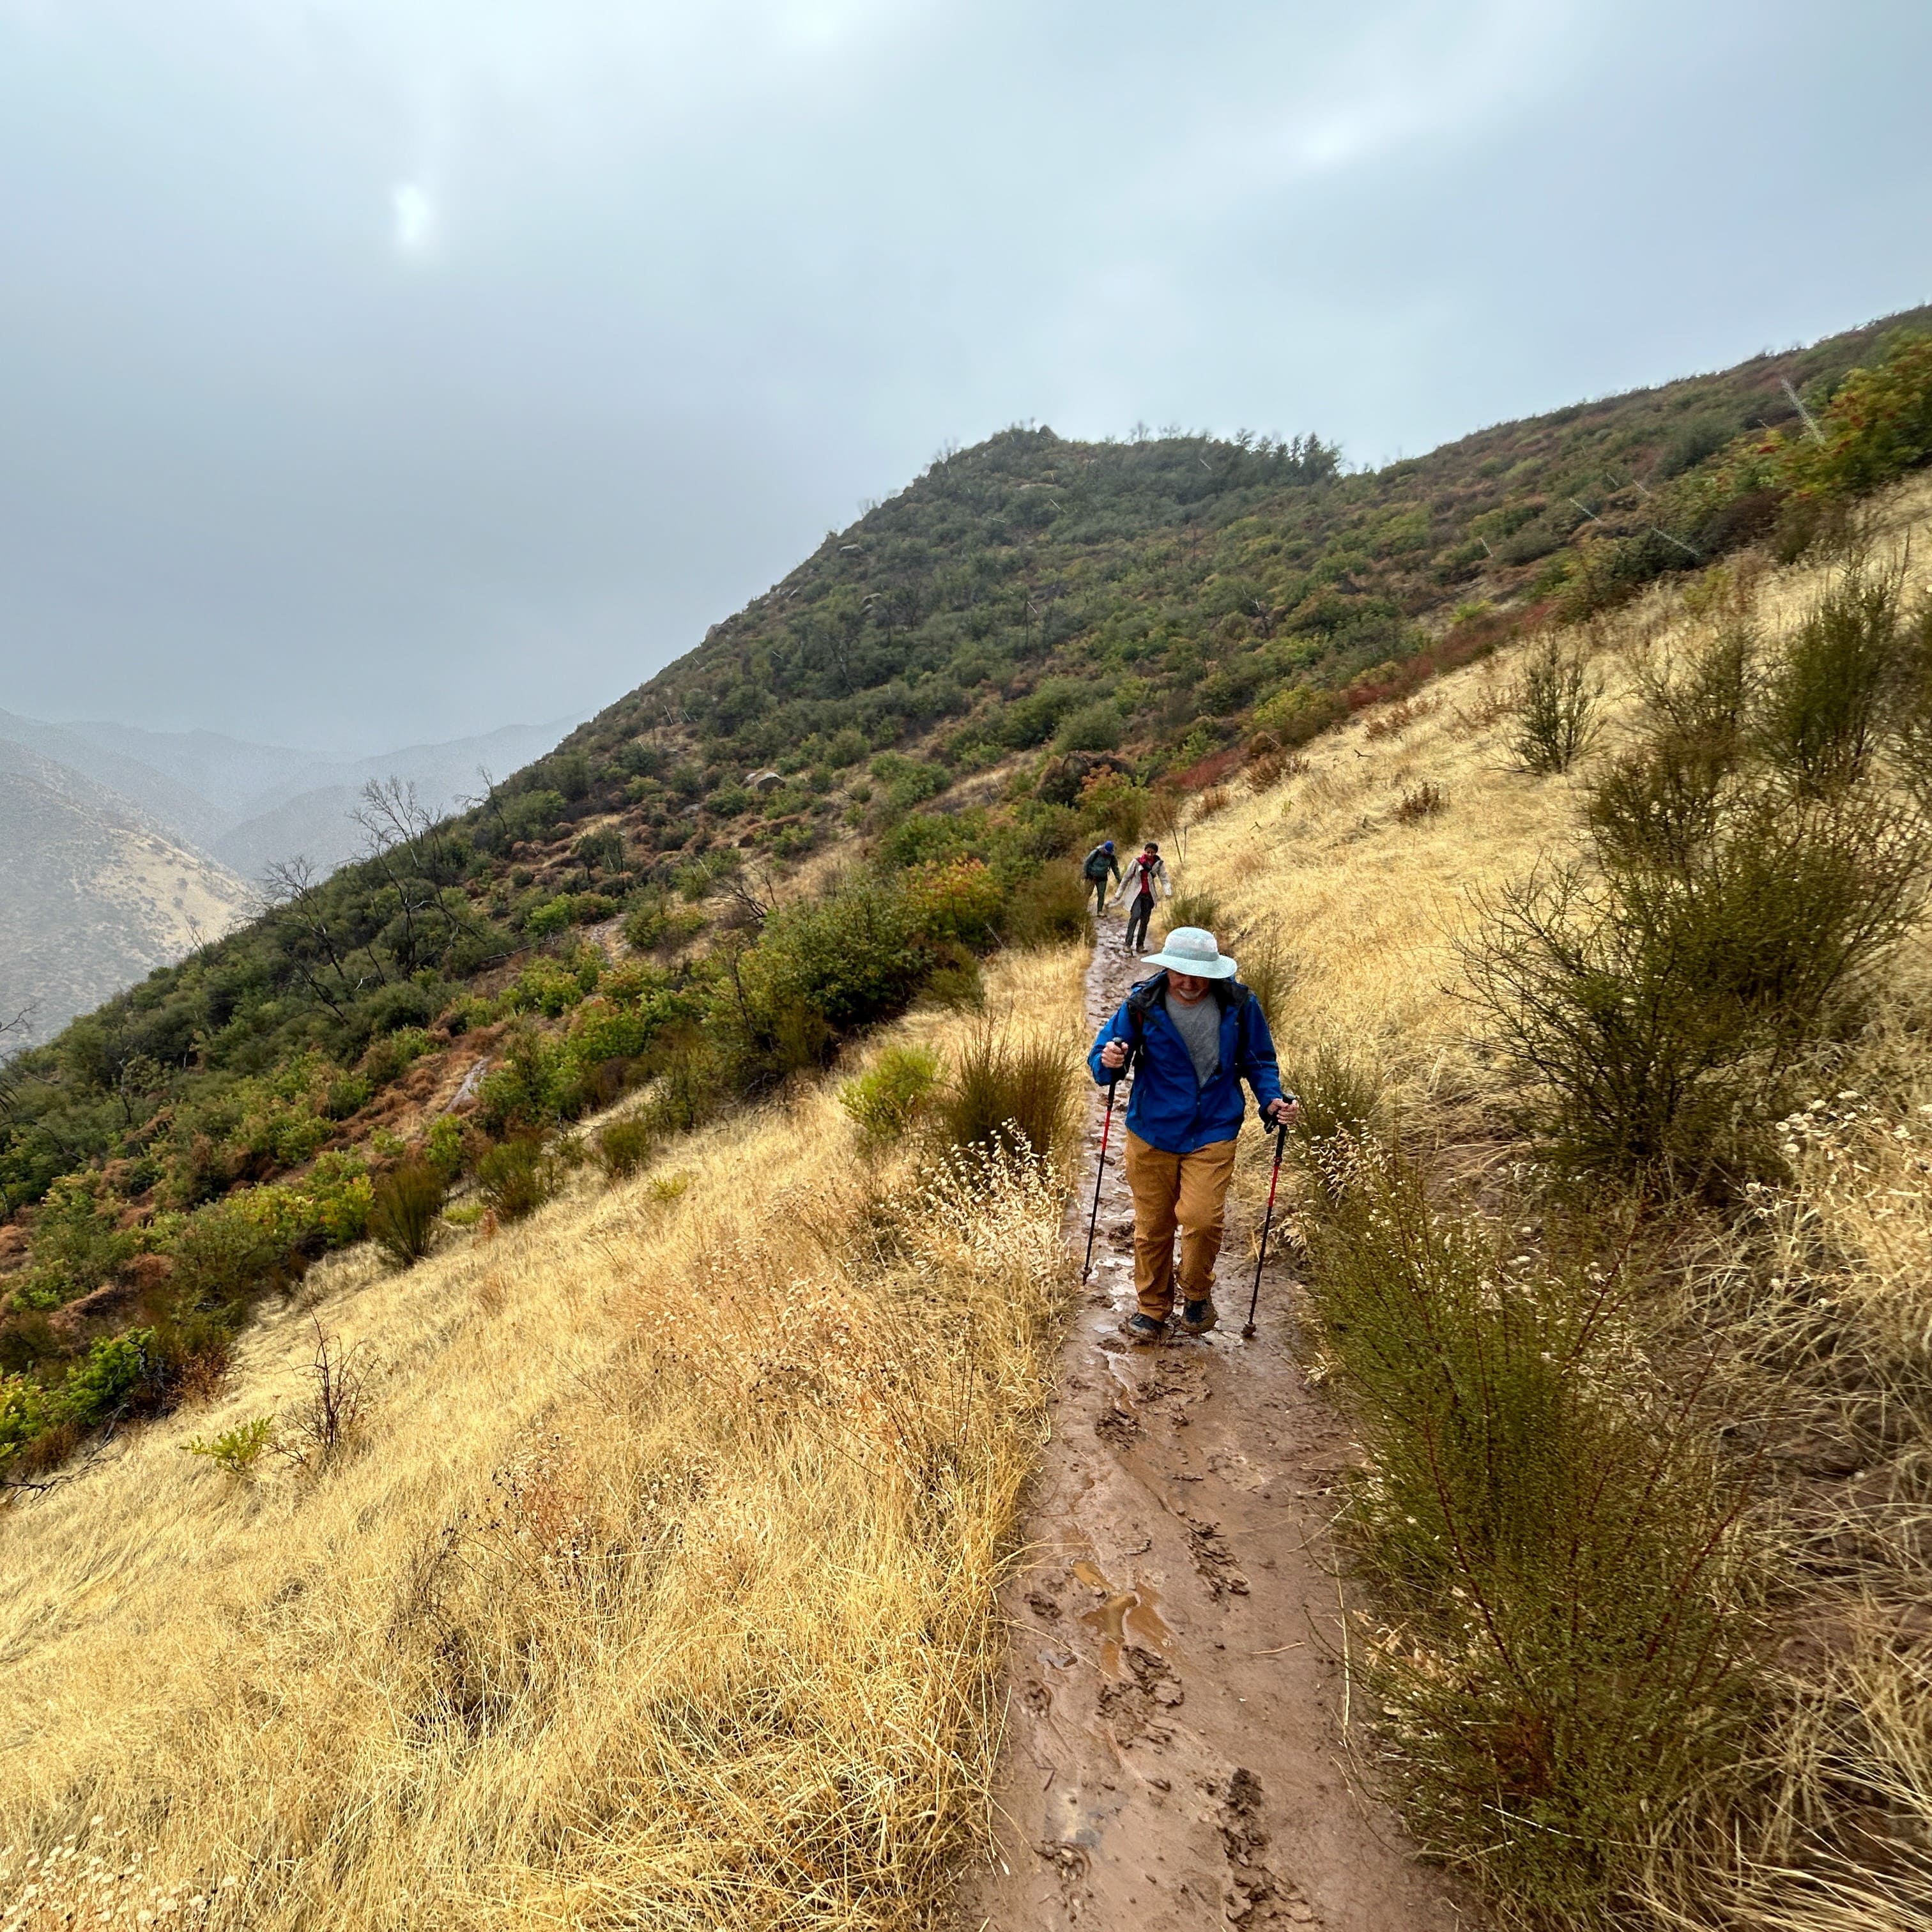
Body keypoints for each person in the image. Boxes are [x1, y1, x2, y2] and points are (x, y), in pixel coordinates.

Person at [1087, 926, 1297, 1343]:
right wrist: (1109, 1058)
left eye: (1198, 974)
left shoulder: (1239, 1003)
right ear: (1168, 968)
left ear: (1214, 972)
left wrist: (1272, 1099)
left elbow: (1259, 1061)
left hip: (1214, 1130)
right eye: (1180, 972)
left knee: (1201, 1220)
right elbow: (1104, 1059)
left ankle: (1197, 1295)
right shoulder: (1142, 1002)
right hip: (1151, 1132)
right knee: (1153, 1228)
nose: (1188, 982)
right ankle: (1152, 1309)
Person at [1109, 840, 1171, 954]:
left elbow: (1164, 878)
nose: (1150, 854)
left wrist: (1168, 891)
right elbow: (1126, 878)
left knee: (1145, 920)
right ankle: (1128, 944)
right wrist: (1118, 894)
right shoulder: (1137, 862)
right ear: (1145, 851)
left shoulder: (1158, 864)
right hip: (1136, 895)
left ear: (1155, 853)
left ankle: (1140, 945)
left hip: (1149, 895)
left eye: (1152, 853)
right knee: (1135, 916)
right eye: (1148, 852)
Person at [1080, 838, 1121, 918]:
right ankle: (1083, 910)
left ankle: (1099, 911)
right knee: (1087, 894)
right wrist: (1085, 873)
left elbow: (1115, 867)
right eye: (1106, 852)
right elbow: (1087, 862)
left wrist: (1118, 878)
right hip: (1090, 877)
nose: (1107, 853)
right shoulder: (1096, 853)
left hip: (1102, 878)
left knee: (1101, 895)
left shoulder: (1112, 857)